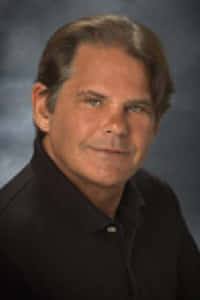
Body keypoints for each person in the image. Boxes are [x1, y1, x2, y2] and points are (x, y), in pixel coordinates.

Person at [0, 14, 199, 300]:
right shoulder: (8, 245)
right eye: (94, 101)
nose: (117, 126)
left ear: (156, 124)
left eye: (137, 108)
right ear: (44, 109)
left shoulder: (158, 200)